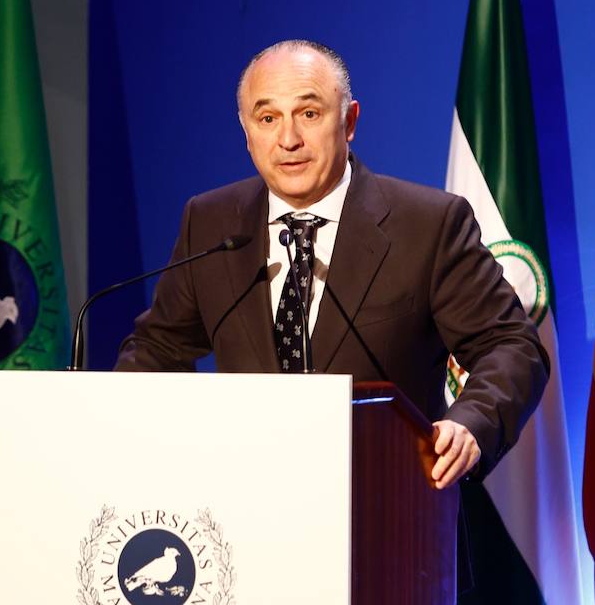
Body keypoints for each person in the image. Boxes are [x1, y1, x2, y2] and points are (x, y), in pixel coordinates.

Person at [116, 40, 547, 486]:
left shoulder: (427, 225)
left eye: (309, 114)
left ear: (349, 121)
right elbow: (158, 350)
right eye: (268, 119)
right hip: (247, 506)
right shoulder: (212, 222)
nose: (288, 139)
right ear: (247, 133)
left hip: (388, 505)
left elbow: (512, 346)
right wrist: (107, 418)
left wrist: (470, 423)